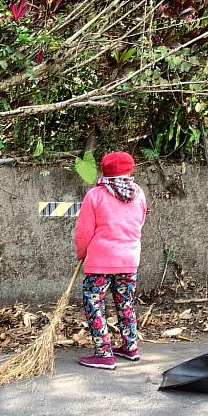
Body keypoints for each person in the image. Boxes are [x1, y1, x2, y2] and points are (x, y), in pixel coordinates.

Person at [74, 151, 147, 370]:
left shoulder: (95, 195)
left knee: (94, 303)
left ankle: (104, 353)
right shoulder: (139, 194)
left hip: (100, 262)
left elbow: (84, 231)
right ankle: (131, 347)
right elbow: (140, 223)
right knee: (125, 302)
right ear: (129, 170)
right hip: (129, 260)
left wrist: (81, 253)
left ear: (104, 170)